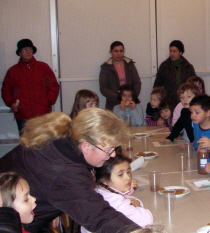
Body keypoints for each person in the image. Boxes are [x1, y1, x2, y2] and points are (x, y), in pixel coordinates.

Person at [0, 108, 142, 233]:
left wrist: (56, 206)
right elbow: (99, 216)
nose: (113, 155)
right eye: (109, 150)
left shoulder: (62, 135)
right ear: (86, 147)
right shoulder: (65, 173)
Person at [80, 153, 153, 233]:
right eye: (120, 175)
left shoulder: (100, 189)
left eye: (128, 172)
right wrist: (137, 205)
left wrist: (134, 202)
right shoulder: (113, 200)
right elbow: (147, 220)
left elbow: (127, 198)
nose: (128, 177)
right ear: (104, 180)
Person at [1, 39, 60, 133]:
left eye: (30, 49)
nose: (28, 52)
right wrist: (12, 104)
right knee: (26, 143)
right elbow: (6, 90)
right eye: (24, 49)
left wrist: (48, 102)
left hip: (42, 114)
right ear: (19, 53)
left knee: (45, 141)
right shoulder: (12, 71)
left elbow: (53, 86)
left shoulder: (43, 67)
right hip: (22, 115)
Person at [99, 41, 141, 111]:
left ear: (124, 51)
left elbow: (137, 83)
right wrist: (119, 97)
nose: (119, 53)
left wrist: (131, 96)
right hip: (113, 103)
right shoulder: (106, 67)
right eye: (116, 51)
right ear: (110, 52)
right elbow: (103, 88)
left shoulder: (130, 65)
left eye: (121, 51)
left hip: (130, 102)